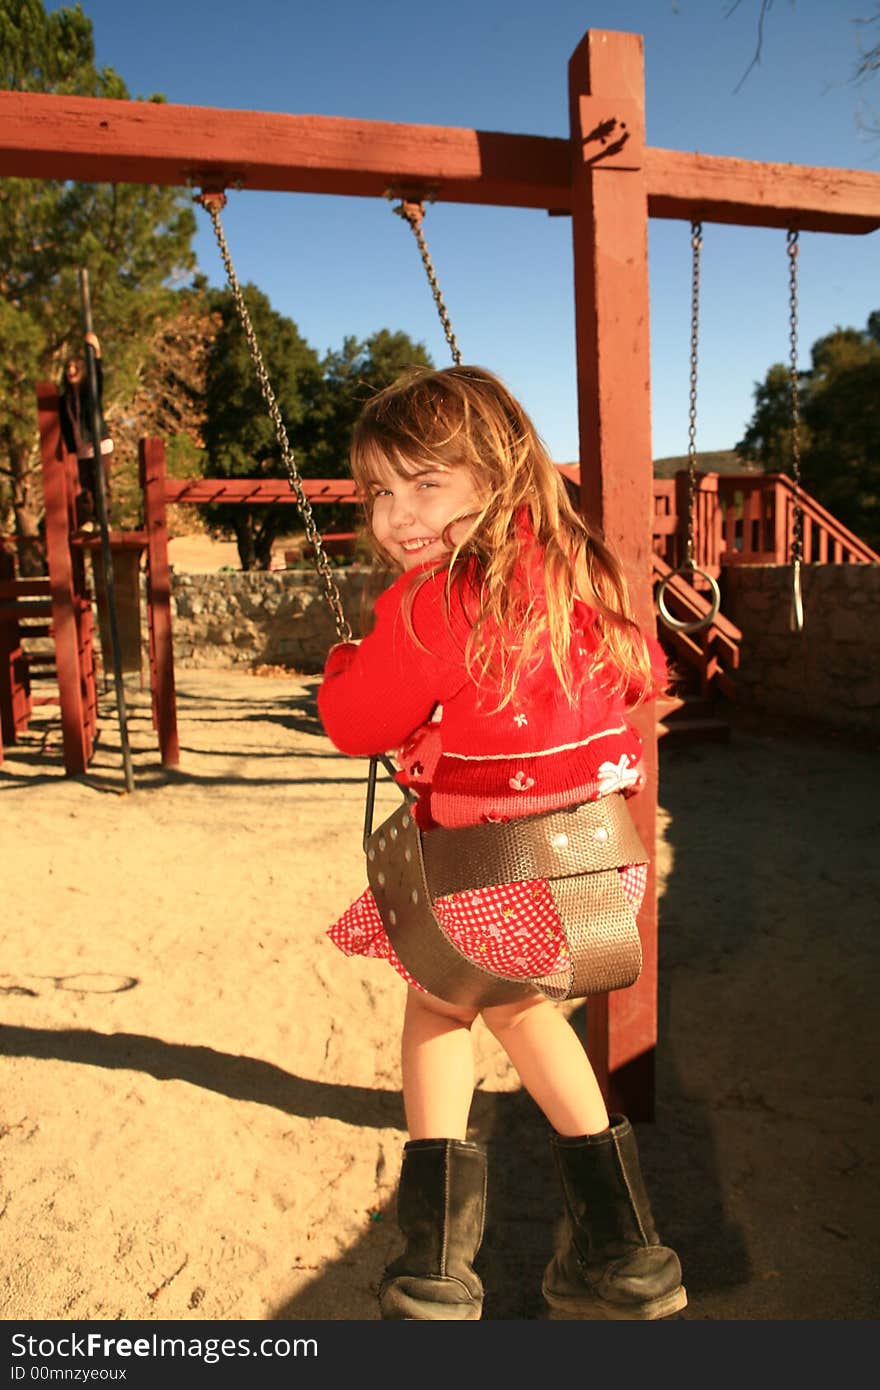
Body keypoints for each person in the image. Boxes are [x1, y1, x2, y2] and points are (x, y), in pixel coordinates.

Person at [317, 364, 685, 1322]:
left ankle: (435, 1264)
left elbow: (357, 723)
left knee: (440, 1010)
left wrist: (346, 665)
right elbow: (642, 672)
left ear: (496, 474)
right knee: (526, 1015)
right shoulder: (585, 574)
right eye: (381, 493)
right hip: (595, 869)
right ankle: (626, 1254)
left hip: (488, 870)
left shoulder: (432, 600)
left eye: (425, 484)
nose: (399, 515)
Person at [59, 331, 114, 531]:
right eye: (68, 368)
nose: (71, 371)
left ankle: (104, 520)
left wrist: (96, 351)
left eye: (75, 368)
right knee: (86, 486)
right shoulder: (64, 400)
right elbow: (65, 425)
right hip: (81, 446)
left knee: (101, 482)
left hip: (98, 442)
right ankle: (90, 520)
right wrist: (69, 446)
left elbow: (97, 376)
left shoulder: (89, 392)